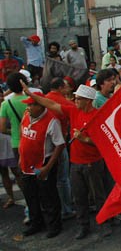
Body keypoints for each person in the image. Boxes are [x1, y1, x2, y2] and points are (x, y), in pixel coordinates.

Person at [22, 83, 110, 239]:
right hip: (76, 163)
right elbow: (52, 104)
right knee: (79, 197)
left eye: (78, 99)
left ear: (88, 101)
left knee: (98, 196)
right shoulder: (73, 111)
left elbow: (104, 142)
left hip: (93, 163)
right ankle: (84, 226)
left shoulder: (98, 116)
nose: (74, 101)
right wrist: (31, 94)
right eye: (75, 98)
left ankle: (104, 224)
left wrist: (86, 139)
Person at [19, 92, 65, 238]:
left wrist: (48, 167)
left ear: (40, 105)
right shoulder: (26, 117)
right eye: (28, 104)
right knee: (30, 195)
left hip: (43, 163)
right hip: (27, 164)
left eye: (32, 104)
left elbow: (59, 145)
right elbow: (23, 135)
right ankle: (36, 222)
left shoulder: (51, 121)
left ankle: (54, 225)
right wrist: (21, 156)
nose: (29, 107)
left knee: (48, 196)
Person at [45, 77, 76, 219]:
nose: (68, 89)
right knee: (63, 178)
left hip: (45, 145)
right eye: (65, 87)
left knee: (51, 178)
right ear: (59, 88)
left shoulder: (44, 99)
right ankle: (66, 208)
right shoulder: (63, 102)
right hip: (60, 142)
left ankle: (55, 206)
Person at [0, 72, 27, 209]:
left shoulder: (6, 104)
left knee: (19, 172)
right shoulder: (29, 99)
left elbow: (3, 128)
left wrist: (13, 131)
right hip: (26, 140)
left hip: (14, 142)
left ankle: (28, 202)